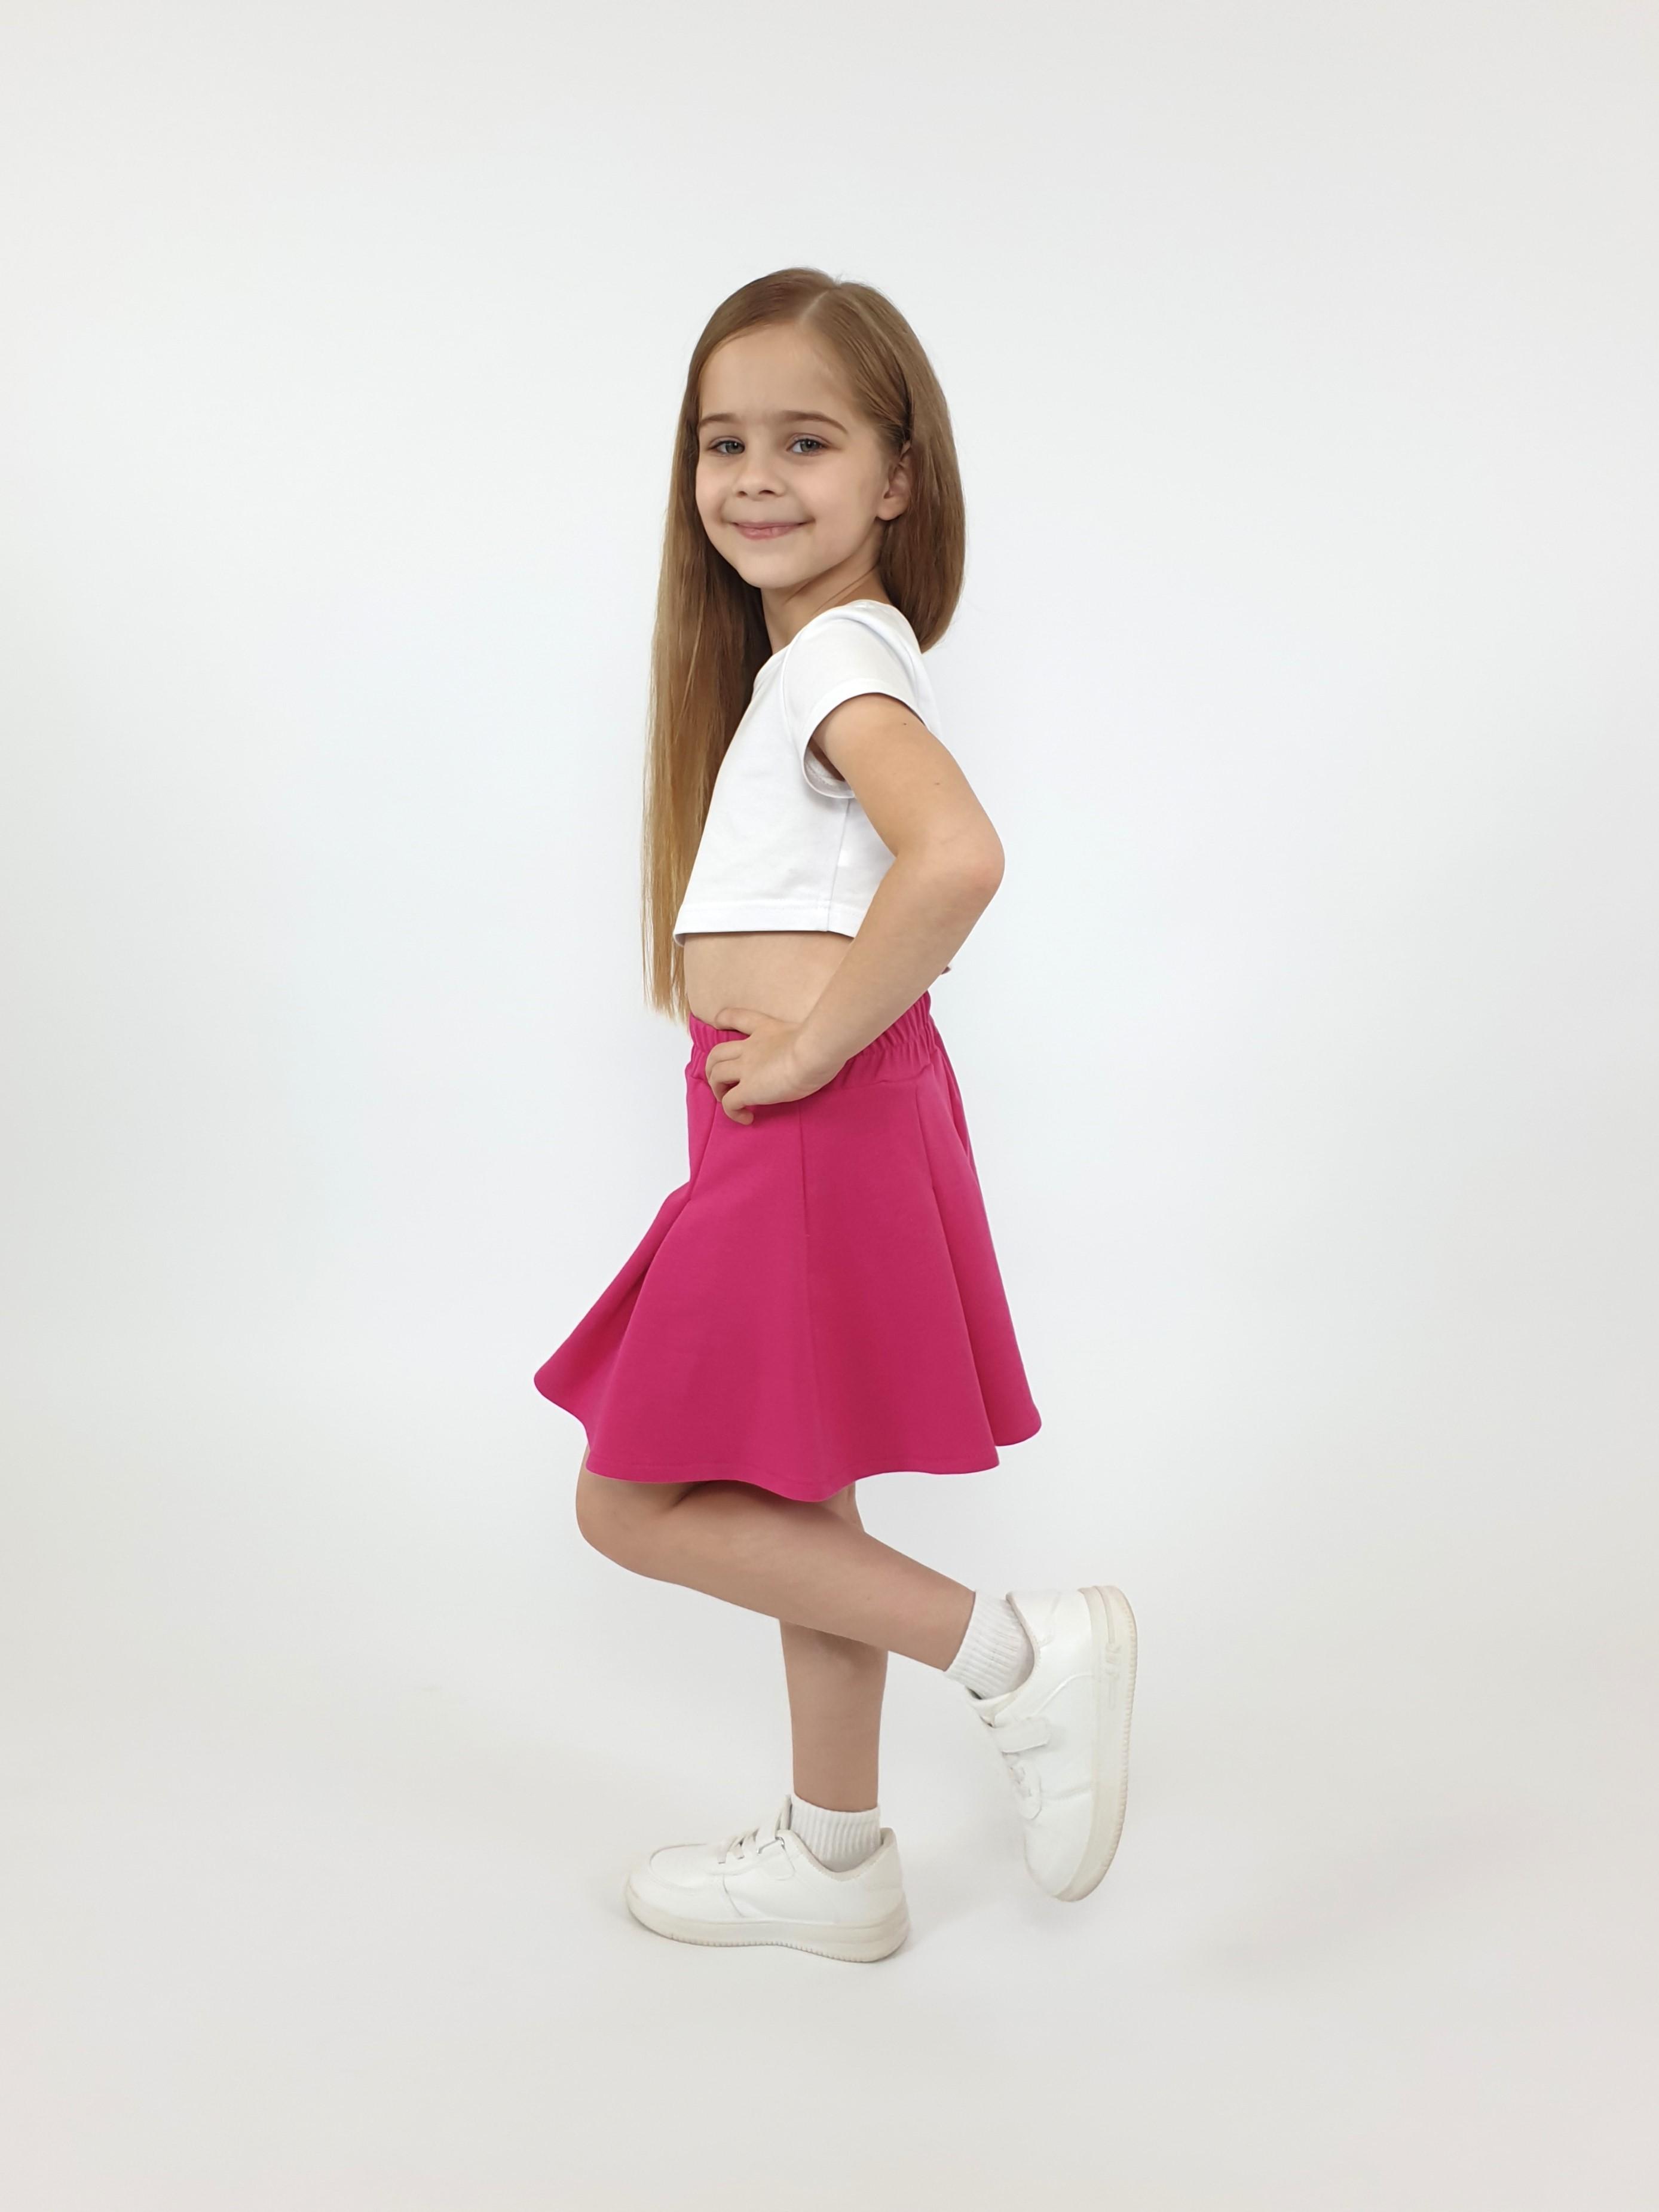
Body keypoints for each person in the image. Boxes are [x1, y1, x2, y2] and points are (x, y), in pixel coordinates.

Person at [533, 266, 1136, 1963]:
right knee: (799, 1510)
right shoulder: (807, 660)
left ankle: (1024, 1658)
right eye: (722, 443)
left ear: (898, 475)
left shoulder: (840, 662)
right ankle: (836, 1856)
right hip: (806, 1118)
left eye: (806, 441)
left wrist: (803, 1057)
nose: (753, 479)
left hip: (811, 1117)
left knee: (629, 1502)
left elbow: (960, 856)